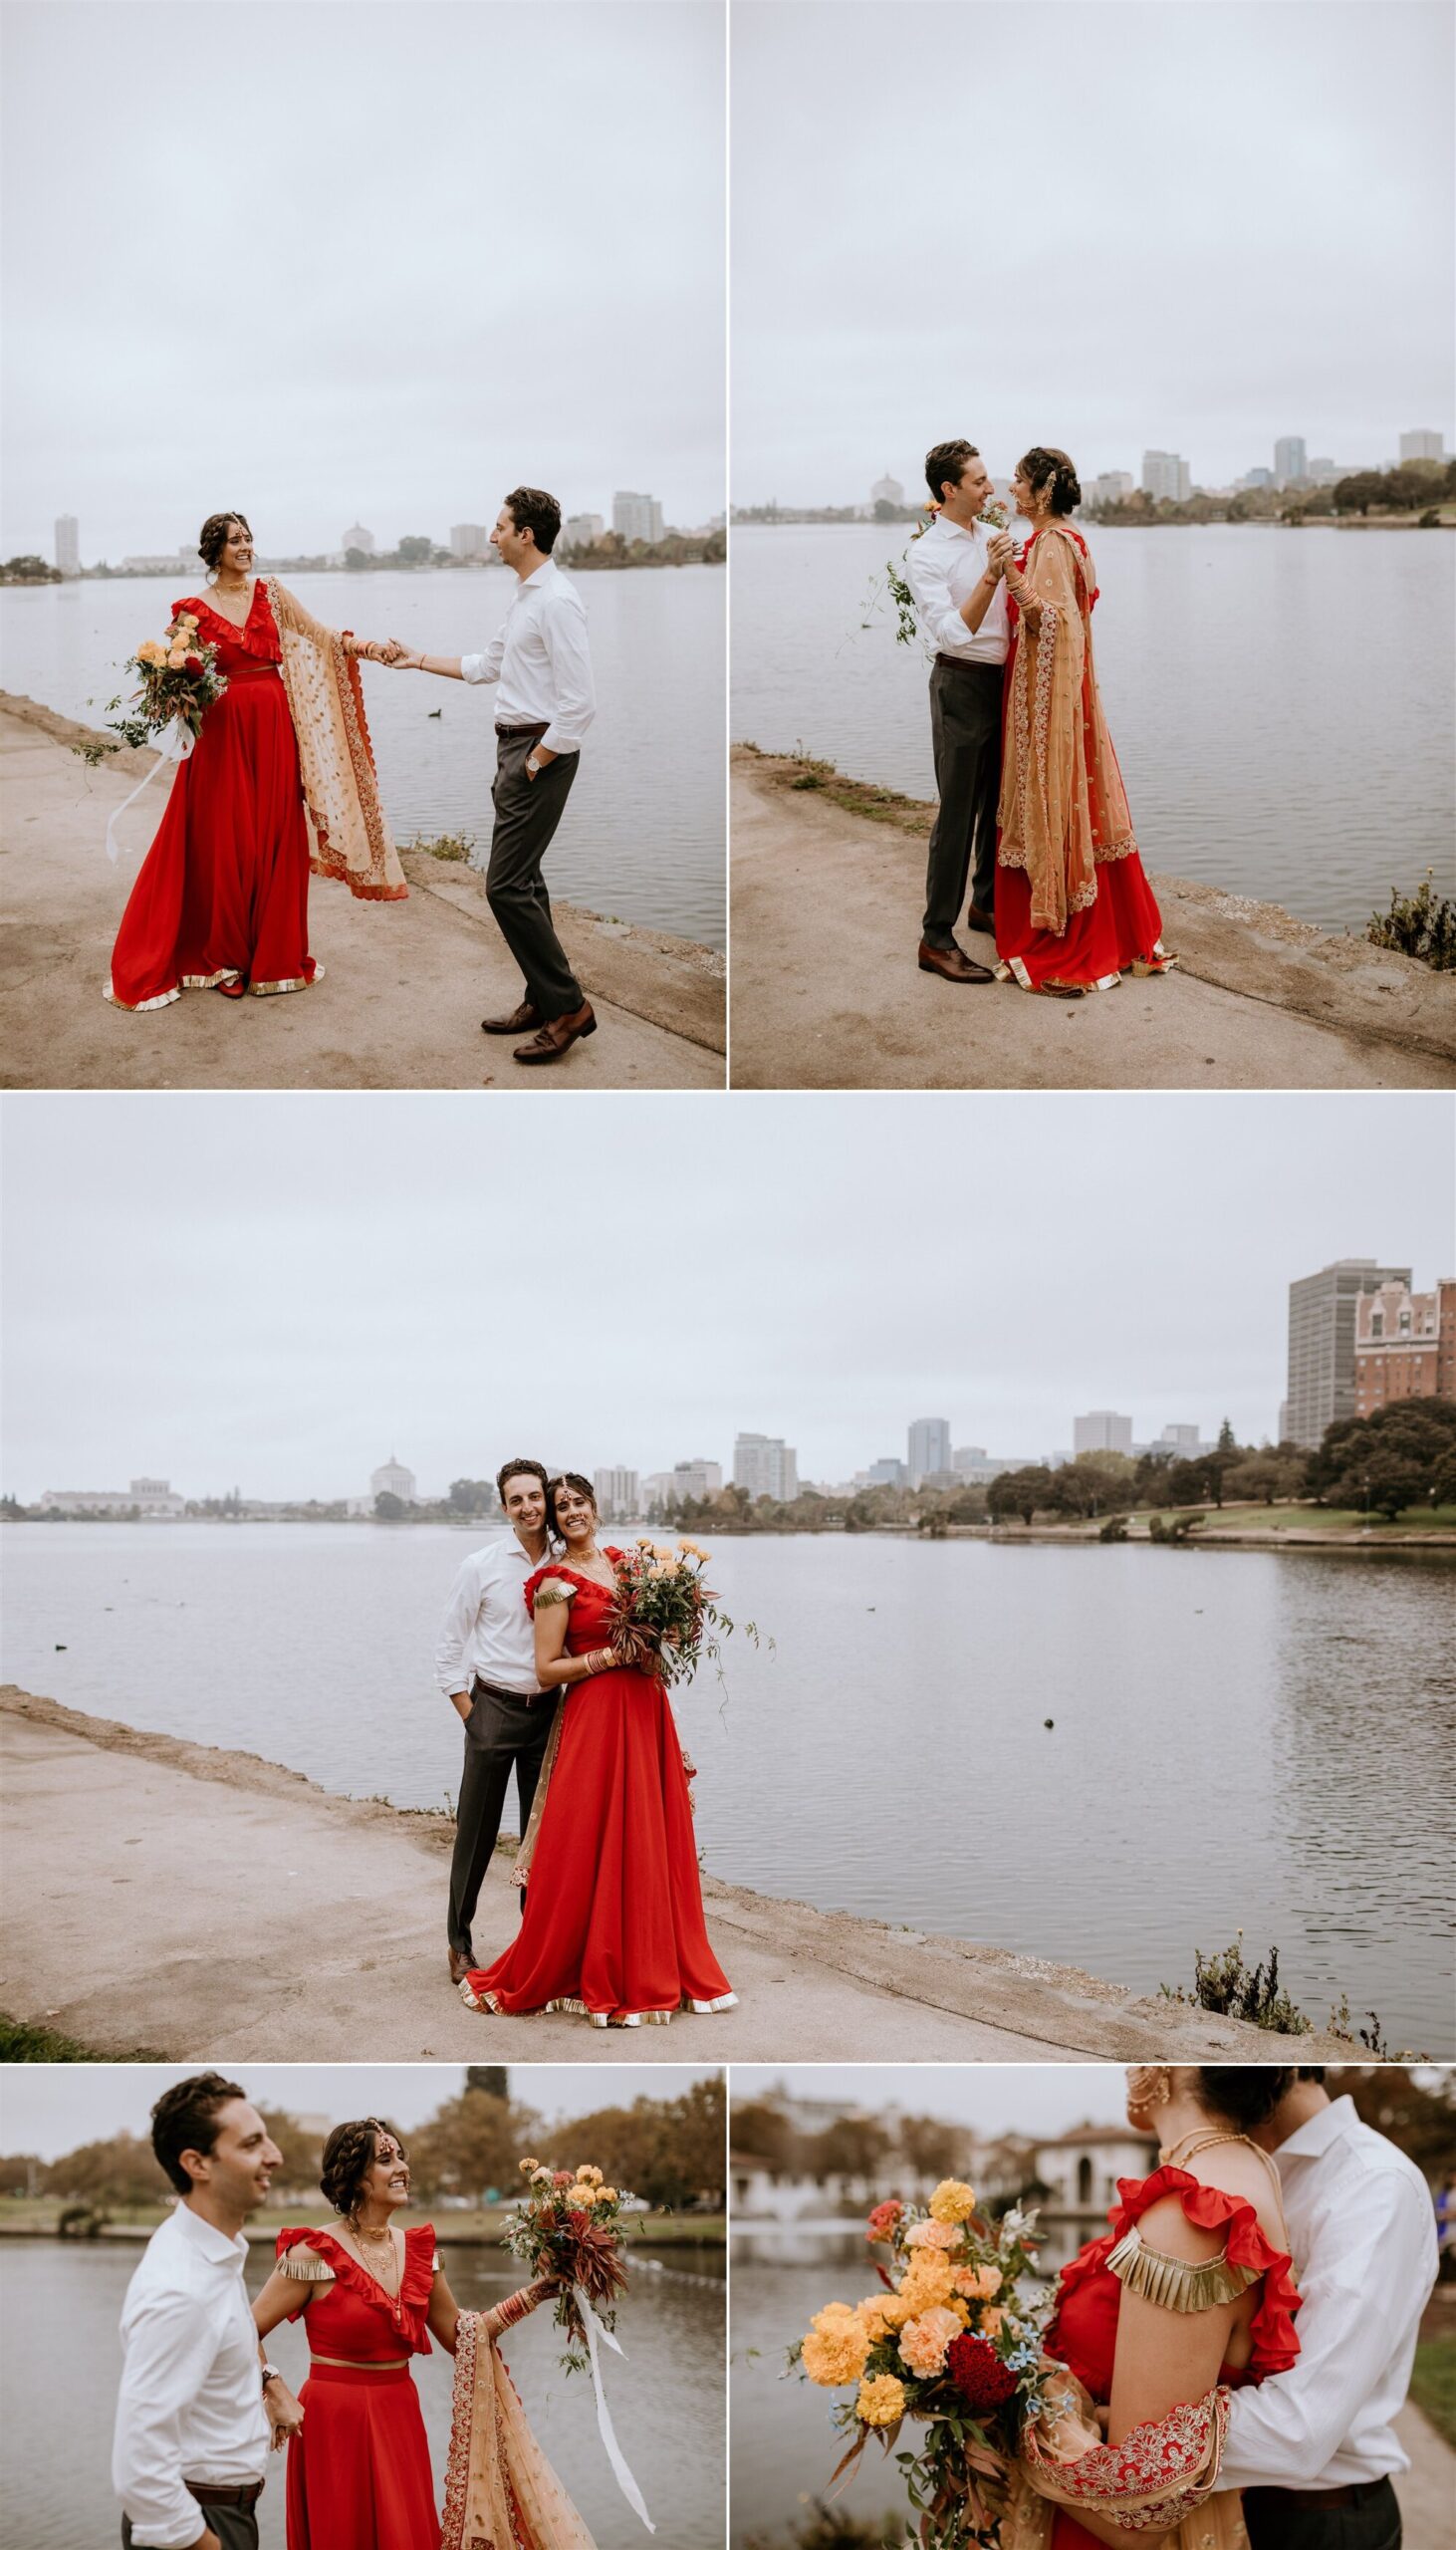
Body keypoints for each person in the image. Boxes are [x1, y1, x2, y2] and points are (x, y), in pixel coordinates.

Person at [461, 1472, 737, 2025]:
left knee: (648, 1832)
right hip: (595, 1715)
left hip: (645, 1709)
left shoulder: (631, 1563)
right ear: (555, 1519)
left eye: (578, 1502)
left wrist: (669, 1631)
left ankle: (659, 1958)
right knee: (594, 1835)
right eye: (560, 1507)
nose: (570, 1512)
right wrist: (610, 1657)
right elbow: (546, 1669)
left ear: (595, 1506)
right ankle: (602, 1965)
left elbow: (663, 1631)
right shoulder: (553, 1584)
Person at [106, 512, 406, 1010]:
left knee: (275, 834)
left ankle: (273, 955)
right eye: (234, 541)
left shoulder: (272, 593)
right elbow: (180, 674)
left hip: (272, 727)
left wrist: (368, 647)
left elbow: (322, 636)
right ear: (214, 551)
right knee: (226, 841)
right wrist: (174, 689)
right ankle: (223, 958)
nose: (245, 547)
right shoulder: (191, 611)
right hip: (222, 736)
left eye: (248, 538)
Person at [1009, 2065, 1302, 2549]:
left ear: (1172, 2067)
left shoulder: (1192, 2219)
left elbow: (1135, 2513)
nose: (1129, 2069)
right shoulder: (1246, 2169)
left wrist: (1007, 2392)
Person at [250, 2118, 566, 2550]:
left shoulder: (419, 2253)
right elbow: (241, 2331)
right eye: (385, 2159)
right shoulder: (313, 2254)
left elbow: (463, 2337)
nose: (401, 2167)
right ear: (356, 2178)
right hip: (332, 2423)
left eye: (401, 2156)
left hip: (399, 2414)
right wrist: (272, 2385)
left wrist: (532, 2296)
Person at [383, 487, 598, 1065]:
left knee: (503, 886)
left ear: (526, 534)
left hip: (538, 754)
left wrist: (536, 761)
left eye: (500, 526)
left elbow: (579, 704)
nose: (492, 534)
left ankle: (570, 1008)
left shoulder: (556, 601)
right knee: (526, 882)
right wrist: (417, 659)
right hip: (515, 750)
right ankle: (542, 996)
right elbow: (489, 665)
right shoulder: (526, 598)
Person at [1223, 2067, 1439, 2548]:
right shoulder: (1244, 2173)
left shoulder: (1374, 2184)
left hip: (1322, 2521)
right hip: (1233, 2506)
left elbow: (1301, 2426)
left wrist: (1138, 2431)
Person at [991, 448, 1174, 995]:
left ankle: (1068, 928)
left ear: (1043, 490)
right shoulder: (1072, 538)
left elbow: (1054, 620)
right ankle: (1116, 928)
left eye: (1019, 482)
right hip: (1071, 693)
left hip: (1055, 697)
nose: (1011, 491)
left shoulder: (1052, 543)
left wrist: (1007, 572)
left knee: (1062, 793)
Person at [113, 2072, 303, 2550]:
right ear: (197, 2163)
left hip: (223, 2511)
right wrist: (207, 2545)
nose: (274, 2155)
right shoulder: (181, 2290)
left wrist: (268, 2382)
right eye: (252, 2144)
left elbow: (226, 2344)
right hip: (198, 2525)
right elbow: (139, 2467)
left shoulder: (212, 2253)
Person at [434, 1457, 566, 1988]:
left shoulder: (566, 1560)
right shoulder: (480, 1566)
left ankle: (534, 1940)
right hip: (492, 1708)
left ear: (546, 1498)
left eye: (535, 1497)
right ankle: (459, 1946)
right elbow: (448, 1649)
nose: (528, 1507)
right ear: (504, 1506)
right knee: (476, 1834)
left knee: (540, 1839)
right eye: (517, 1500)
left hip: (550, 1714)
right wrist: (473, 1717)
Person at [901, 438, 1009, 985]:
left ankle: (986, 906)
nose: (992, 489)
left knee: (999, 805)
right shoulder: (925, 554)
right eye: (979, 481)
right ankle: (936, 938)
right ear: (949, 490)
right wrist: (991, 577)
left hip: (1007, 685)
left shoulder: (995, 536)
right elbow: (950, 632)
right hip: (960, 686)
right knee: (958, 812)